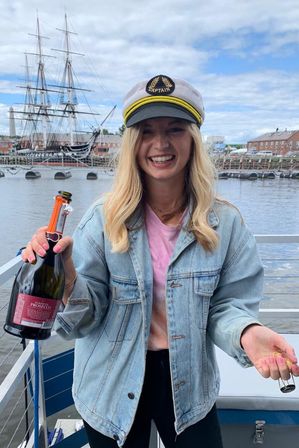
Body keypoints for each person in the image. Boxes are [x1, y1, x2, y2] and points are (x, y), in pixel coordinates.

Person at [23, 74, 299, 448]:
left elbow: (226, 306)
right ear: (132, 141)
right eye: (147, 130)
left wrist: (247, 333)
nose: (161, 143)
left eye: (175, 129)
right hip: (110, 380)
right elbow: (82, 324)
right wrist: (67, 276)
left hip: (189, 380)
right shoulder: (103, 220)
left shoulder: (227, 224)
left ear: (193, 140)